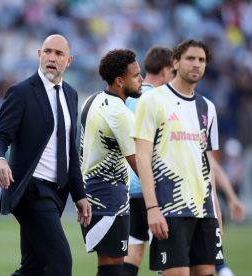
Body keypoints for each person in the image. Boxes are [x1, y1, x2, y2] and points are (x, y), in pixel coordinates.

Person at [0, 34, 91, 276]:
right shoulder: (21, 92)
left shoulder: (71, 94)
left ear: (69, 60)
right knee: (61, 264)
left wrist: (80, 195)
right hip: (30, 191)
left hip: (56, 194)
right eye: (47, 51)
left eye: (59, 54)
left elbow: (69, 152)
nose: (52, 58)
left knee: (33, 268)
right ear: (39, 54)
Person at [132, 39, 223, 275]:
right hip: (170, 208)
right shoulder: (152, 100)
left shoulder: (208, 107)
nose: (196, 64)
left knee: (206, 273)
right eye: (190, 58)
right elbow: (142, 157)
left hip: (204, 210)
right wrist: (152, 207)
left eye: (201, 60)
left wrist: (216, 211)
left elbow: (207, 163)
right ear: (175, 62)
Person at [79, 49, 143, 276]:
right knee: (113, 270)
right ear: (119, 80)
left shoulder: (92, 99)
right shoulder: (119, 112)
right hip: (109, 198)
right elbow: (139, 164)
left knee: (109, 267)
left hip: (92, 194)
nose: (141, 80)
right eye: (136, 76)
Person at [122, 46, 174, 276]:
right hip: (154, 187)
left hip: (128, 188)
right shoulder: (163, 100)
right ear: (166, 71)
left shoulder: (127, 97)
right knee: (168, 256)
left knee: (133, 251)